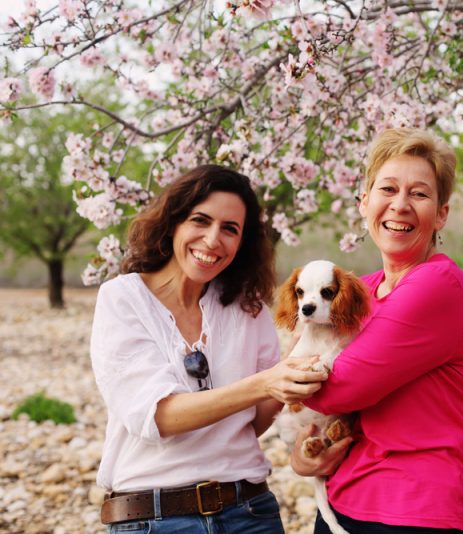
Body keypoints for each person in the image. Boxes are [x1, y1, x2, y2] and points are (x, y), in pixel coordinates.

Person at [90, 164, 333, 533]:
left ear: (242, 243)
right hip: (154, 519)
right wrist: (266, 382)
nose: (213, 239)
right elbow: (160, 417)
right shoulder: (122, 299)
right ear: (174, 221)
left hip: (249, 511)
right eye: (200, 220)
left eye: (230, 229)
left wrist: (296, 361)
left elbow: (254, 422)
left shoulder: (247, 308)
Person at [291, 128, 463, 533]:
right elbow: (304, 383)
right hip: (343, 497)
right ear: (364, 204)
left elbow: (338, 387)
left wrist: (285, 385)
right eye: (387, 189)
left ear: (442, 213)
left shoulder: (439, 284)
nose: (400, 205)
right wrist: (301, 454)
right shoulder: (353, 293)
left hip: (417, 506)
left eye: (419, 194)